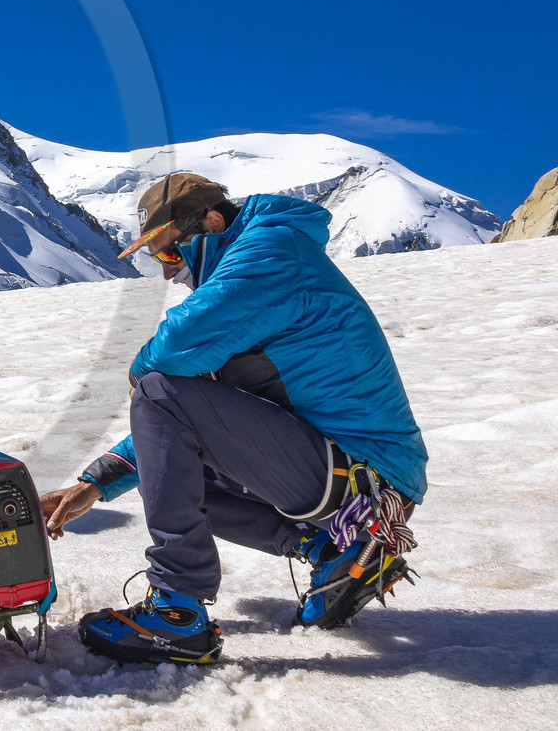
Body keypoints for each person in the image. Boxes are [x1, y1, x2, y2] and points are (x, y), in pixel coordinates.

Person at [40, 173, 426, 665]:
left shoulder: (270, 252)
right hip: (350, 475)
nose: (167, 273)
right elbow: (187, 428)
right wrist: (98, 482)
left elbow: (175, 359)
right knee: (172, 462)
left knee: (159, 386)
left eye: (169, 253)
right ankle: (335, 551)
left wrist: (141, 374)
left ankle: (177, 609)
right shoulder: (253, 279)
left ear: (213, 223)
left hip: (361, 475)